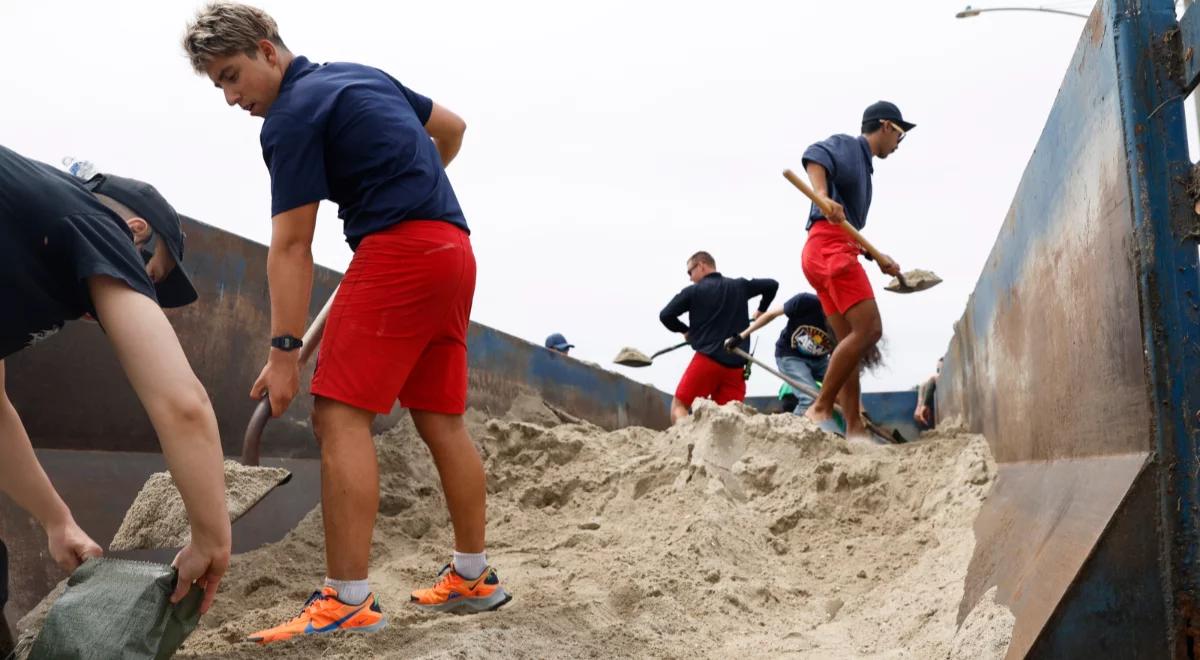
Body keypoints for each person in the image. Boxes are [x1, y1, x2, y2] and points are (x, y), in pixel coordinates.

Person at [183, 2, 509, 643]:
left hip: (400, 251)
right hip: (452, 248)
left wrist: (283, 352)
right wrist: (401, 184)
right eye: (217, 83)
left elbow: (292, 246)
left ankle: (346, 600)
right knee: (440, 418)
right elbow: (453, 131)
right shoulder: (362, 76)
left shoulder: (291, 118)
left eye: (231, 74)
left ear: (269, 49)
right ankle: (473, 575)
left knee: (337, 413)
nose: (230, 97)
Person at [0, 146, 232, 614]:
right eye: (149, 274)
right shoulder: (99, 224)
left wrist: (56, 521)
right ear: (136, 233)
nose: (140, 290)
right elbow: (182, 403)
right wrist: (211, 538)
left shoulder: (26, 246)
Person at [798, 100, 914, 441]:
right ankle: (820, 406)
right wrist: (822, 196)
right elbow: (815, 154)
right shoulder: (852, 147)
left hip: (822, 252)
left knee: (848, 345)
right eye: (900, 136)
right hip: (830, 249)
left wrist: (876, 256)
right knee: (870, 330)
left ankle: (854, 427)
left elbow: (849, 227)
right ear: (886, 126)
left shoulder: (863, 168)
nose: (898, 145)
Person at [659, 251, 778, 423]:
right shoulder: (740, 286)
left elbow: (666, 315)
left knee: (680, 406)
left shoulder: (694, 292)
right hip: (736, 367)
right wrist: (762, 310)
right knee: (728, 420)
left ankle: (686, 443)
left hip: (707, 361)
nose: (690, 278)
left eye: (690, 272)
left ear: (701, 265)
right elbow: (772, 285)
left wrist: (685, 331)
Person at [730, 292, 832, 415]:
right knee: (810, 399)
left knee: (846, 392)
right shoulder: (806, 302)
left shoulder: (847, 322)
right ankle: (794, 431)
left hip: (820, 361)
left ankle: (851, 430)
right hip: (790, 356)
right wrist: (742, 336)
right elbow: (771, 314)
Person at [914, 357, 942, 431]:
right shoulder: (930, 382)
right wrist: (920, 406)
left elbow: (933, 379)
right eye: (939, 369)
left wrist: (924, 405)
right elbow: (928, 382)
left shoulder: (935, 378)